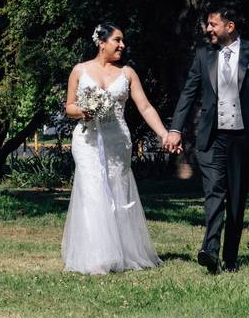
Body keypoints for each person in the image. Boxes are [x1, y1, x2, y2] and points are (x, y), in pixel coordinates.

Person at [163, 3, 249, 273]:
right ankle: (210, 250)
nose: (208, 29)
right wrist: (176, 128)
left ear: (230, 26)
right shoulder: (203, 55)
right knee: (214, 192)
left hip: (242, 136)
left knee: (236, 198)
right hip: (212, 137)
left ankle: (230, 257)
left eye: (213, 24)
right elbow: (188, 93)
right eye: (208, 24)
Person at [61, 21, 174, 274]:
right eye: (117, 40)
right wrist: (83, 110)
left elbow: (145, 107)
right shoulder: (80, 70)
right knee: (92, 191)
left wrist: (165, 134)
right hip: (87, 140)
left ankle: (122, 251)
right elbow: (69, 106)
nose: (123, 45)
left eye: (123, 41)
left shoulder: (128, 73)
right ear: (101, 43)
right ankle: (97, 256)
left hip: (117, 141)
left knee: (117, 192)